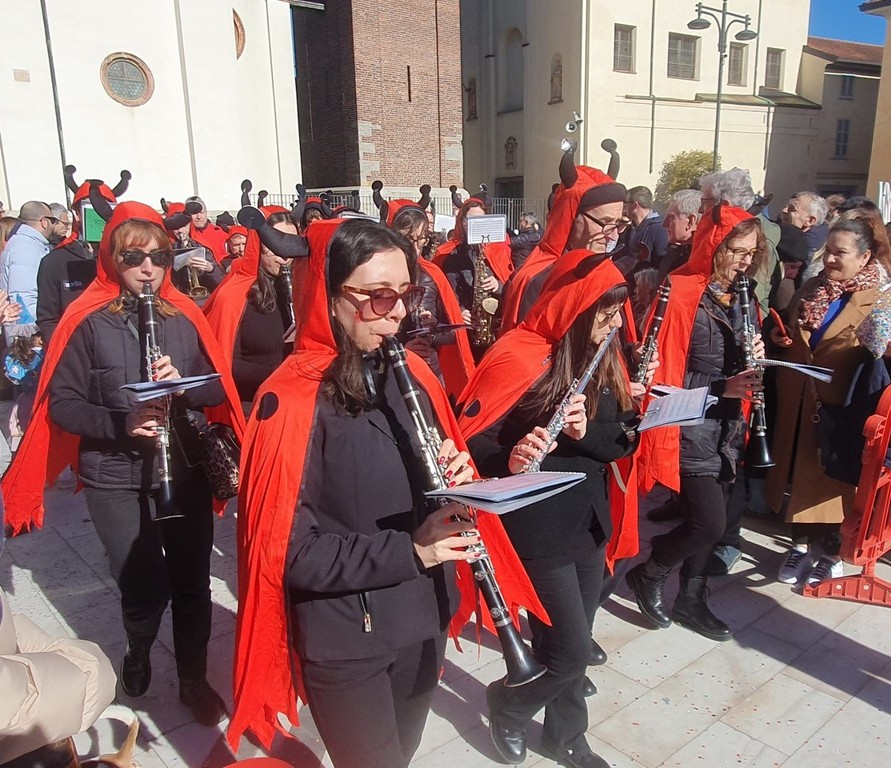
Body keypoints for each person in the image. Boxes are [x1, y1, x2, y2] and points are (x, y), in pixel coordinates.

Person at [227, 217, 542, 767]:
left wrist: (473, 477)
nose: (398, 313)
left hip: (424, 616)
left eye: (405, 294)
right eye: (378, 296)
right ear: (329, 297)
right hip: (349, 638)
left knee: (406, 751)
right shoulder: (292, 398)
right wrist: (412, 549)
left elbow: (447, 482)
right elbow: (288, 553)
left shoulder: (411, 371)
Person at [0, 201, 245, 726]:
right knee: (142, 583)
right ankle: (138, 648)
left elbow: (216, 387)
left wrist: (183, 384)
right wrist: (123, 422)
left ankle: (193, 680)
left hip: (181, 466)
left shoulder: (185, 315)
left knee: (192, 583)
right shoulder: (87, 322)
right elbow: (63, 405)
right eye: (134, 257)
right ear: (113, 259)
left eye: (159, 256)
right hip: (113, 474)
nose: (148, 268)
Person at [459, 251, 642, 768]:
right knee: (569, 653)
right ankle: (510, 703)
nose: (615, 324)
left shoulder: (604, 357)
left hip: (588, 519)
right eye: (606, 313)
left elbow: (622, 440)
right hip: (536, 527)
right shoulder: (519, 355)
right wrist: (510, 457)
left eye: (618, 312)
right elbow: (469, 438)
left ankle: (566, 738)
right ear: (576, 310)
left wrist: (585, 433)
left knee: (573, 644)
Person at [632, 204, 766, 642]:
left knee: (717, 520)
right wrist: (724, 387)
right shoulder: (681, 290)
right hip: (690, 423)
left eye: (752, 252)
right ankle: (650, 572)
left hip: (729, 425)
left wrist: (757, 356)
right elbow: (662, 376)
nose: (746, 261)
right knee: (708, 522)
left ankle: (691, 599)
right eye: (738, 251)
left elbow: (738, 364)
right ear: (715, 245)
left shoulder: (743, 295)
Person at [768, 217, 890, 585]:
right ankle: (799, 546)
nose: (830, 260)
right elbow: (792, 328)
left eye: (841, 253)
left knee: (834, 482)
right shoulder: (813, 287)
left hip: (841, 404)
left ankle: (832, 553)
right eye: (828, 252)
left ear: (864, 257)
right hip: (798, 398)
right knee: (797, 473)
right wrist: (780, 336)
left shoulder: (880, 298)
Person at [499, 143, 626, 334]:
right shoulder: (538, 280)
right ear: (571, 218)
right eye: (605, 223)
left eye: (618, 223)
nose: (614, 235)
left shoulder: (608, 269)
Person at [203, 211, 302, 411]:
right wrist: (280, 373)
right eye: (275, 246)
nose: (285, 256)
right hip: (252, 406)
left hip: (295, 401)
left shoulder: (300, 288)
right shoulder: (234, 295)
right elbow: (226, 363)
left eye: (290, 245)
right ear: (258, 245)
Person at [386, 197, 475, 401]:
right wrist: (402, 349)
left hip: (429, 371)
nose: (415, 248)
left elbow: (453, 335)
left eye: (421, 239)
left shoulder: (431, 275)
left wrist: (433, 330)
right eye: (408, 239)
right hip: (391, 373)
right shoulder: (377, 276)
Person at [434, 188, 513, 355]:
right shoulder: (451, 254)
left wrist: (498, 285)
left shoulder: (499, 250)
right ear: (462, 222)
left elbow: (512, 285)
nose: (475, 225)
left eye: (480, 220)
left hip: (496, 325)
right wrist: (460, 311)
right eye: (470, 220)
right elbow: (447, 291)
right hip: (467, 326)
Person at [0, 201, 56, 326]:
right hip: (28, 329)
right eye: (53, 220)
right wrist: (33, 330)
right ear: (44, 222)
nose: (54, 225)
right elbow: (23, 298)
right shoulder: (26, 248)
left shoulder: (27, 243)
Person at [621, 186, 668, 269]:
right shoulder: (630, 228)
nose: (624, 207)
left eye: (626, 203)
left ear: (635, 205)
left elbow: (661, 264)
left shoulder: (659, 229)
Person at [659, 189, 702, 277]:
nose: (664, 224)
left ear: (690, 221)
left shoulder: (702, 262)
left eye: (671, 217)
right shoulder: (674, 254)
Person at [781, 191, 829, 258]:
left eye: (792, 208)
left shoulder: (810, 251)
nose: (784, 210)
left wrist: (792, 231)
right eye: (787, 207)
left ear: (809, 221)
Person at [185, 195, 230, 263]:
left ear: (206, 213)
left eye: (201, 212)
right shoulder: (185, 235)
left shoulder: (220, 234)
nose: (199, 217)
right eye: (194, 213)